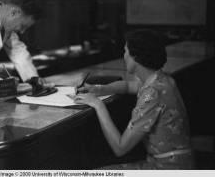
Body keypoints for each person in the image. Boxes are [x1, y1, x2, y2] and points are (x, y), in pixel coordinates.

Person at [75, 29, 194, 169]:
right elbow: (127, 86)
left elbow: (120, 148)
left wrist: (97, 104)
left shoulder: (152, 94)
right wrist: (99, 89)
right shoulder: (161, 79)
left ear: (136, 57)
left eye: (125, 51)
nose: (124, 56)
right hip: (179, 163)